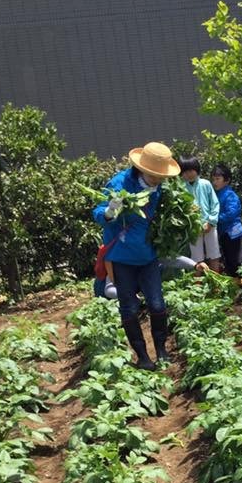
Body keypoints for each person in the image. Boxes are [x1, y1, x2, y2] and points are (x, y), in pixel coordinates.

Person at [93, 141, 180, 370]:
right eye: (154, 176)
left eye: (161, 176)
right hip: (122, 257)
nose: (158, 180)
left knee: (157, 304)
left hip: (147, 255)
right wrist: (111, 212)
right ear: (142, 169)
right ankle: (142, 356)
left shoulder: (159, 189)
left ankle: (161, 350)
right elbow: (99, 212)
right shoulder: (120, 184)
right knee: (129, 307)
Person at [179, 157, 222, 271]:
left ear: (197, 169)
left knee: (214, 255)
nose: (189, 174)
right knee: (197, 259)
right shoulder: (181, 187)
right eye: (185, 171)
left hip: (209, 225)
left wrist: (211, 222)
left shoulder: (205, 184)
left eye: (191, 170)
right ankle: (198, 285)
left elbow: (215, 204)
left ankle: (215, 283)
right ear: (181, 173)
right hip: (192, 228)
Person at [212, 164, 242, 276]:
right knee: (228, 259)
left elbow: (230, 214)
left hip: (233, 232)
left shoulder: (230, 195)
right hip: (224, 232)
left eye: (218, 179)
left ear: (227, 180)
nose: (214, 182)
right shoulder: (217, 194)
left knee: (236, 260)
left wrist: (214, 219)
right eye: (213, 179)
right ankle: (235, 284)